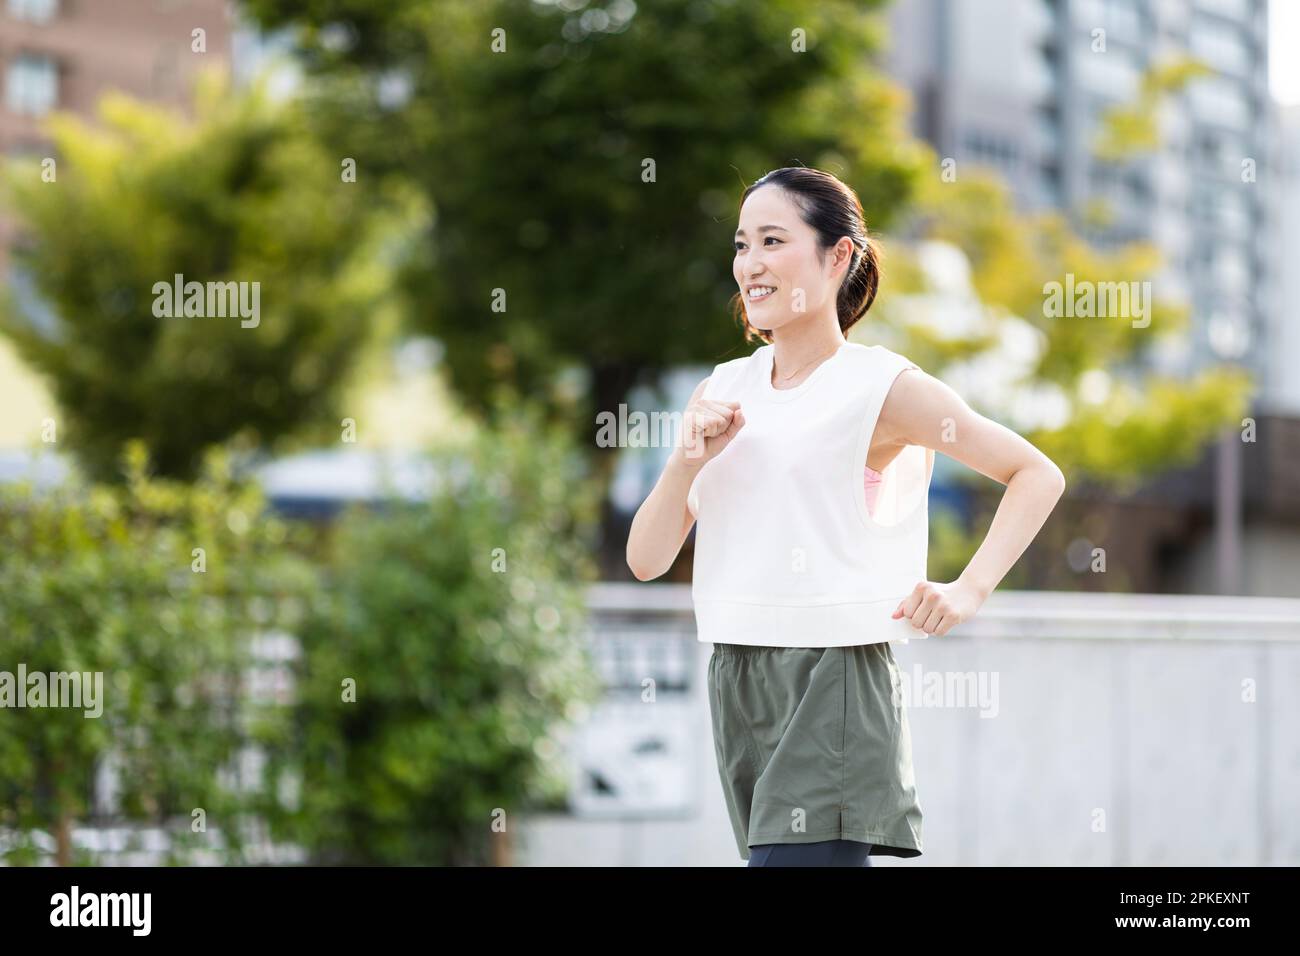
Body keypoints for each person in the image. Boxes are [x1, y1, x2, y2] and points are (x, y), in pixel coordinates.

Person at [625, 167, 1066, 867]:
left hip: (835, 675)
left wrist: (967, 589)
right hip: (737, 674)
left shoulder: (881, 387)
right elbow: (646, 561)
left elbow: (1035, 473)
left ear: (838, 257)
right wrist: (684, 460)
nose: (751, 263)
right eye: (742, 245)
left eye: (773, 239)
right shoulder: (723, 389)